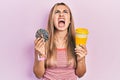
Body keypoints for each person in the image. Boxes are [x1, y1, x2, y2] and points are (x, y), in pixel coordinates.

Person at [33, 2, 87, 80]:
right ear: (52, 19)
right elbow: (38, 75)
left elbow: (80, 74)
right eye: (57, 12)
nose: (61, 15)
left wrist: (81, 60)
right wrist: (40, 55)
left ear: (70, 20)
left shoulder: (77, 42)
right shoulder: (43, 42)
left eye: (65, 12)